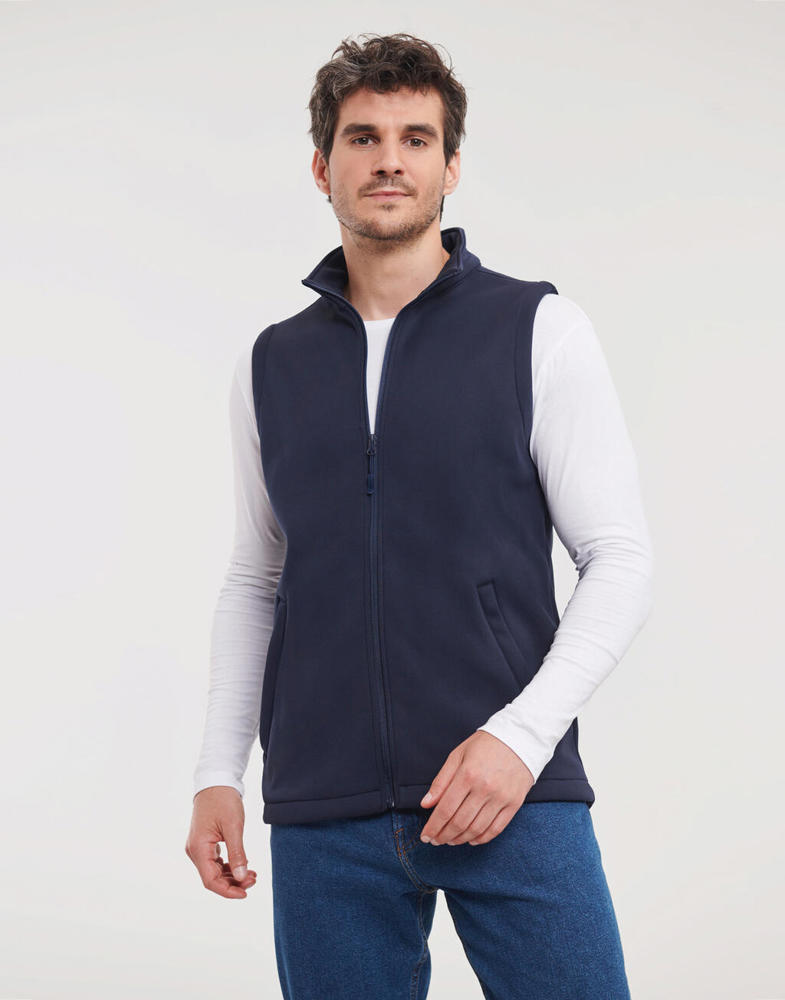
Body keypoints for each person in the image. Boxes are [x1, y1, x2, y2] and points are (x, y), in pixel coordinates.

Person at [185, 31, 654, 999]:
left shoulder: (536, 330)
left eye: (415, 138)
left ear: (450, 165)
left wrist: (519, 739)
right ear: (322, 167)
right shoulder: (270, 365)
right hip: (324, 809)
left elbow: (618, 558)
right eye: (361, 138)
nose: (388, 160)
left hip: (508, 790)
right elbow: (256, 576)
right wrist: (216, 768)